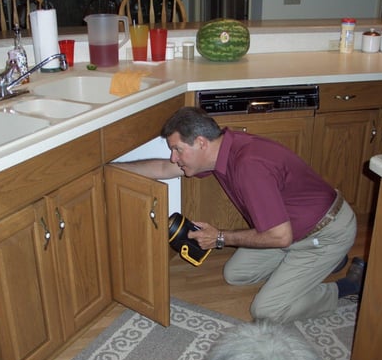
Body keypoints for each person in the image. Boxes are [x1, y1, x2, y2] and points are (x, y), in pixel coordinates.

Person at [117, 106, 365, 323]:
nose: (174, 157)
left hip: (325, 233)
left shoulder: (248, 165)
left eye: (177, 150)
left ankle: (346, 286)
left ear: (201, 142)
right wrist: (109, 169)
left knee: (267, 310)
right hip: (291, 229)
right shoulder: (222, 149)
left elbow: (279, 237)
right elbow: (162, 168)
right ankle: (331, 264)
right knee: (236, 274)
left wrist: (220, 238)